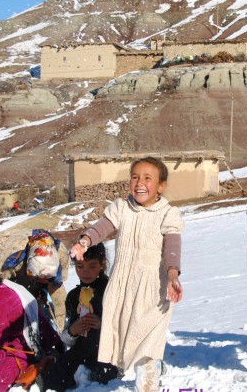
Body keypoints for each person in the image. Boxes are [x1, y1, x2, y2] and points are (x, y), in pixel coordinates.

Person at [70, 156, 183, 392]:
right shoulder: (121, 208)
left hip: (153, 288)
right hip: (122, 287)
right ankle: (154, 367)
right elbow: (102, 227)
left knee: (147, 342)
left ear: (161, 186)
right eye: (135, 177)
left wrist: (173, 276)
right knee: (126, 336)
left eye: (147, 178)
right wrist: (85, 241)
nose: (140, 183)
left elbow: (171, 249)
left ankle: (148, 381)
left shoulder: (167, 214)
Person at [41, 242, 120, 390]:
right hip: (80, 354)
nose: (86, 272)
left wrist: (102, 325)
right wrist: (72, 331)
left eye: (92, 266)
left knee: (100, 382)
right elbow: (67, 339)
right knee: (48, 381)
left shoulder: (112, 290)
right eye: (80, 266)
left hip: (108, 354)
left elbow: (126, 330)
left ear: (102, 264)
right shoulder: (73, 296)